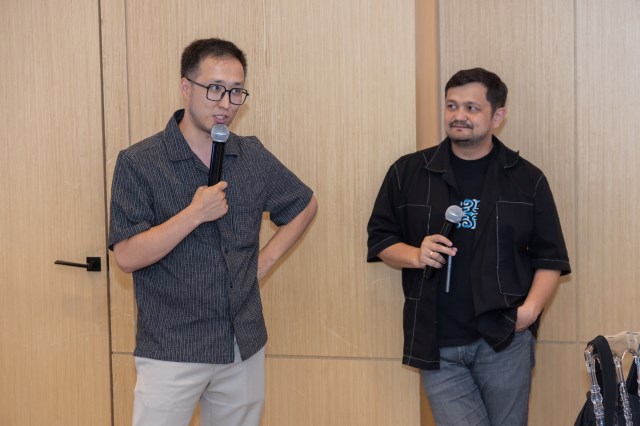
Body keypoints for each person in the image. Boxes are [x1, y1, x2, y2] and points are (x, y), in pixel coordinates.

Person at [108, 38, 317, 426]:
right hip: (172, 348)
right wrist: (193, 214)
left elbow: (304, 204)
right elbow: (126, 256)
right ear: (186, 87)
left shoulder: (251, 154)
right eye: (215, 88)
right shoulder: (140, 162)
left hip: (242, 343)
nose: (226, 103)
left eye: (236, 91)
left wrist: (263, 262)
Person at [366, 68, 570, 425]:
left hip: (504, 340)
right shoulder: (408, 172)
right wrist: (415, 254)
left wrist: (529, 313)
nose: (458, 115)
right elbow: (381, 239)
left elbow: (549, 257)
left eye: (472, 108)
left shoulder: (526, 179)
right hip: (437, 342)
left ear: (497, 116)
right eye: (452, 105)